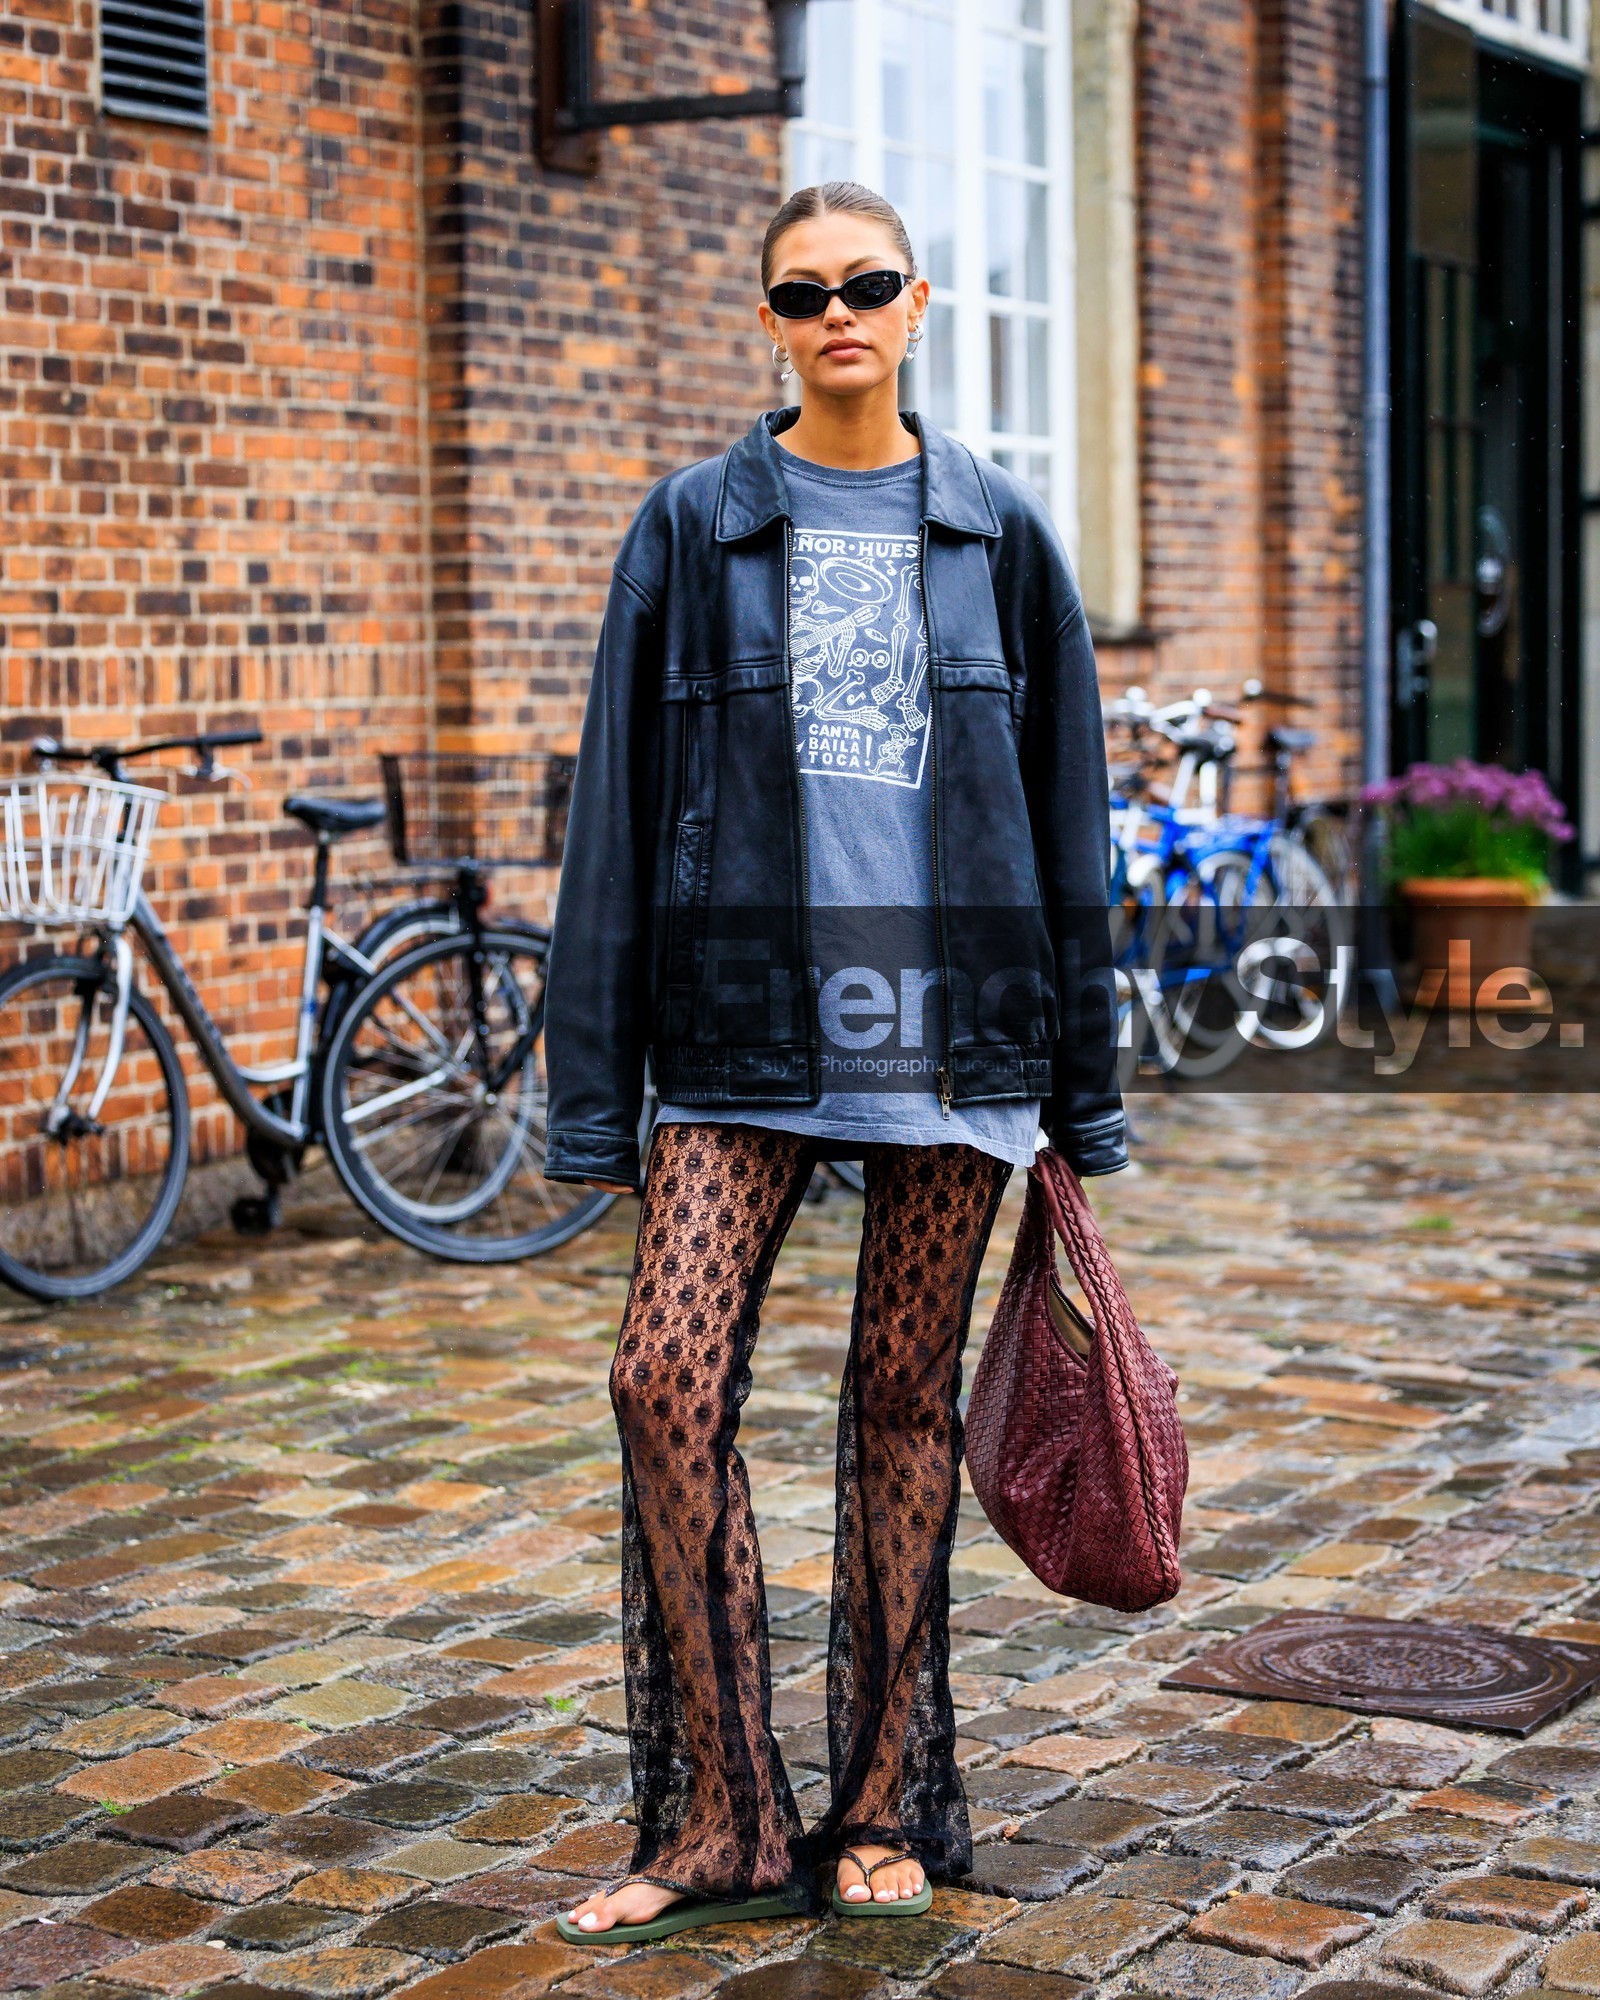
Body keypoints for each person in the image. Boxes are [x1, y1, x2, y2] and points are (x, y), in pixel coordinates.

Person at [541, 180, 1126, 1943]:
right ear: (772, 320)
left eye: (868, 285)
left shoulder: (1002, 538)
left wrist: (1082, 1096)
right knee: (664, 1381)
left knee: (897, 1412)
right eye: (804, 296)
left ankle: (884, 1804)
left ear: (921, 300)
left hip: (953, 1046)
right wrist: (594, 1095)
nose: (838, 315)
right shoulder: (690, 527)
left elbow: (1067, 827)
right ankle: (724, 1810)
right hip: (737, 1031)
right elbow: (616, 826)